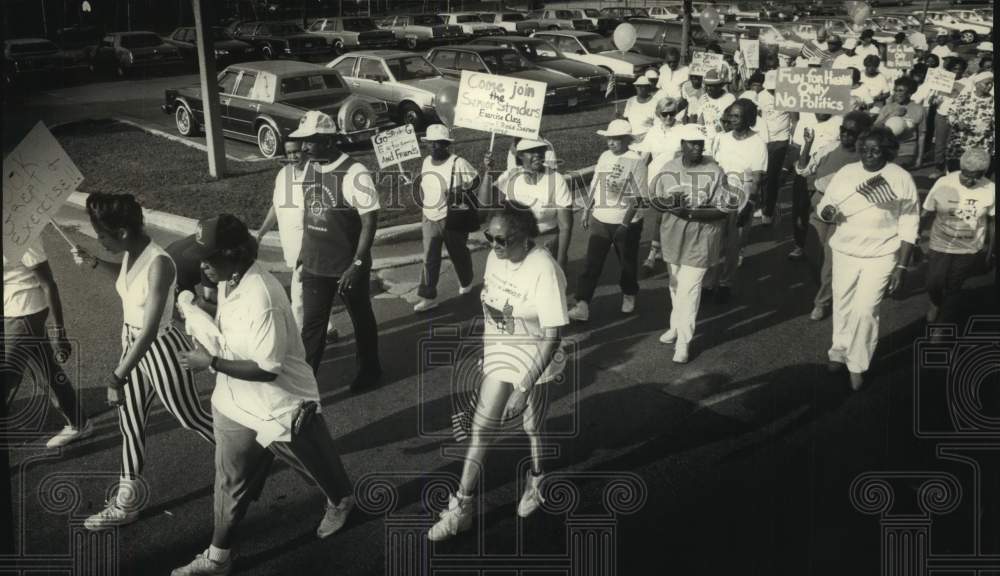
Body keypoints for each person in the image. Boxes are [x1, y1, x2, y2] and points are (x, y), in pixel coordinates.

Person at [173, 214, 355, 576]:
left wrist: (208, 361)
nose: (202, 264)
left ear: (235, 252)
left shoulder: (263, 296)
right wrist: (195, 311)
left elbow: (267, 368)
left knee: (316, 466)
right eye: (201, 257)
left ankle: (341, 500)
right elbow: (231, 323)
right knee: (229, 482)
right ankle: (218, 557)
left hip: (279, 401)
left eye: (210, 257)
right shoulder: (229, 279)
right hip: (236, 403)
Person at [71, 193, 214, 529]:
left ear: (122, 232)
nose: (98, 240)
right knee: (130, 424)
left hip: (159, 346)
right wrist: (94, 261)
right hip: (132, 345)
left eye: (102, 236)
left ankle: (255, 452)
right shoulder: (130, 253)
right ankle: (126, 503)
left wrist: (116, 376)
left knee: (192, 418)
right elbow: (129, 288)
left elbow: (150, 327)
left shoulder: (159, 263)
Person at [427, 201, 569, 542]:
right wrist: (489, 356)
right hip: (501, 354)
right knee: (481, 429)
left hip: (537, 356)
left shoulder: (544, 269)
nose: (493, 245)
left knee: (532, 425)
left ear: (524, 237)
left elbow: (552, 337)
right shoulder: (495, 258)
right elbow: (493, 310)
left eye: (501, 239)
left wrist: (523, 387)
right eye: (489, 236)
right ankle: (461, 507)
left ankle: (536, 480)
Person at [816, 127, 919, 390]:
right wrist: (827, 212)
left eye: (875, 150)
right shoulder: (847, 173)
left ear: (888, 151)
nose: (869, 155)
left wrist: (902, 265)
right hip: (844, 251)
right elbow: (826, 204)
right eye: (865, 150)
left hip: (881, 255)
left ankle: (857, 364)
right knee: (842, 305)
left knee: (865, 311)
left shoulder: (900, 178)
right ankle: (838, 351)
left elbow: (910, 222)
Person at [291, 111, 382, 390]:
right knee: (312, 328)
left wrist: (356, 263)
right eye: (303, 141)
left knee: (361, 319)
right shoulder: (309, 168)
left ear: (328, 141)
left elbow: (370, 220)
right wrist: (302, 253)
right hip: (315, 264)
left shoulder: (354, 172)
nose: (303, 147)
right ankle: (304, 388)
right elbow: (310, 211)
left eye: (310, 141)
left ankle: (370, 372)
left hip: (347, 267)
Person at [651, 125, 738, 363]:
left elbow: (722, 211)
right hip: (673, 236)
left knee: (689, 289)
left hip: (702, 237)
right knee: (675, 285)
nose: (697, 147)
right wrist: (669, 203)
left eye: (700, 142)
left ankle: (683, 342)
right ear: (682, 145)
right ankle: (676, 326)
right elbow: (656, 201)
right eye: (692, 143)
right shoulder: (668, 168)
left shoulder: (714, 171)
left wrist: (688, 213)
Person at [3, 236, 91, 447]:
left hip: (24, 312)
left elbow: (48, 284)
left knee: (5, 380)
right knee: (47, 370)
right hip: (10, 310)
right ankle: (79, 423)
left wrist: (59, 332)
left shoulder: (22, 233)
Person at [794, 111, 874, 321]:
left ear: (864, 134)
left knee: (831, 259)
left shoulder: (868, 157)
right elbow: (803, 170)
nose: (846, 135)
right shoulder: (828, 149)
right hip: (819, 209)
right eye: (843, 130)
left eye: (852, 132)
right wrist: (808, 145)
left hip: (846, 217)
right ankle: (829, 285)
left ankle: (822, 302)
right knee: (813, 255)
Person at [568, 119, 647, 321]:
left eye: (616, 139)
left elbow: (638, 197)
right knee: (592, 263)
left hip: (626, 220)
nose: (611, 143)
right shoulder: (604, 156)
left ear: (627, 140)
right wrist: (586, 208)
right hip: (601, 217)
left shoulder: (636, 160)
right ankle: (582, 304)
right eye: (609, 138)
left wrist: (624, 224)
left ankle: (629, 293)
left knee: (627, 262)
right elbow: (595, 183)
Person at [921, 148, 995, 333]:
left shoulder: (991, 189)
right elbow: (927, 211)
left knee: (954, 286)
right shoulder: (944, 182)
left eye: (976, 177)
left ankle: (941, 327)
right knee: (933, 282)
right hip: (940, 243)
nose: (970, 181)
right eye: (966, 175)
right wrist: (915, 236)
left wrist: (991, 250)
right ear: (960, 169)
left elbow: (992, 222)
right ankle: (935, 302)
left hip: (969, 248)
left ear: (983, 174)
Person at [705, 99, 767, 302]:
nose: (732, 119)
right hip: (720, 193)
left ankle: (725, 283)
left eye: (737, 116)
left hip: (743, 195)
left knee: (733, 244)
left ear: (749, 119)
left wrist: (749, 206)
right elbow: (714, 165)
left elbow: (757, 179)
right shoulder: (722, 138)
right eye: (731, 115)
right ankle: (708, 283)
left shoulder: (757, 143)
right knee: (714, 241)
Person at [412, 124, 479, 312]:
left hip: (453, 217)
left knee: (459, 254)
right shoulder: (426, 162)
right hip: (429, 217)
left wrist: (461, 192)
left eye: (439, 144)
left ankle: (466, 280)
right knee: (429, 258)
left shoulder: (458, 162)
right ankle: (428, 296)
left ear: (446, 145)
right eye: (431, 144)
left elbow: (475, 180)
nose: (434, 148)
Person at [480, 139, 574, 272]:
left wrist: (561, 259)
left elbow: (565, 226)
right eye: (531, 151)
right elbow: (484, 203)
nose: (537, 155)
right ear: (520, 155)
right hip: (514, 245)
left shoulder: (557, 180)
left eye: (540, 150)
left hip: (546, 245)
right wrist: (488, 172)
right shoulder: (512, 176)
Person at [634, 97, 685, 274]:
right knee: (662, 215)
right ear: (658, 114)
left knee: (670, 215)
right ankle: (658, 250)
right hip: (655, 177)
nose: (669, 117)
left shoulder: (682, 129)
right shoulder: (654, 131)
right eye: (665, 114)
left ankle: (655, 252)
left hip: (676, 178)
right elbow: (643, 157)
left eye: (672, 113)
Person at [787, 111, 842, 259]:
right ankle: (800, 244)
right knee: (800, 209)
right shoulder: (805, 119)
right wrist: (790, 167)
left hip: (830, 168)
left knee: (823, 207)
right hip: (806, 165)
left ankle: (823, 245)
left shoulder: (840, 121)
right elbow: (796, 147)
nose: (821, 112)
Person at [756, 70, 792, 226]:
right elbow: (757, 117)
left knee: (772, 177)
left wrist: (793, 140)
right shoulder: (761, 96)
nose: (772, 90)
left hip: (781, 140)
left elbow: (794, 118)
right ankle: (765, 204)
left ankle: (768, 210)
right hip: (764, 139)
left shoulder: (789, 93)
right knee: (761, 176)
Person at [946, 71, 994, 174]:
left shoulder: (993, 101)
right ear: (976, 84)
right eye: (986, 83)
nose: (989, 86)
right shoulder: (964, 97)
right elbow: (951, 113)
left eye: (991, 84)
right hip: (961, 141)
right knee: (956, 170)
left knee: (977, 171)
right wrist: (957, 122)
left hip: (982, 143)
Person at [874, 76, 925, 169]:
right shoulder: (887, 107)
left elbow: (921, 136)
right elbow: (875, 128)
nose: (897, 94)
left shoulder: (919, 109)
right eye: (895, 90)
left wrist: (919, 159)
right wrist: (893, 114)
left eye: (901, 91)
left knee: (893, 168)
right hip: (888, 149)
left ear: (910, 93)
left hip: (907, 150)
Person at [695, 69, 735, 154]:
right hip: (706, 143)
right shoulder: (702, 99)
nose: (709, 88)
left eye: (712, 85)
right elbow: (699, 121)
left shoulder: (729, 98)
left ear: (720, 85)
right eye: (707, 85)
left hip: (724, 141)